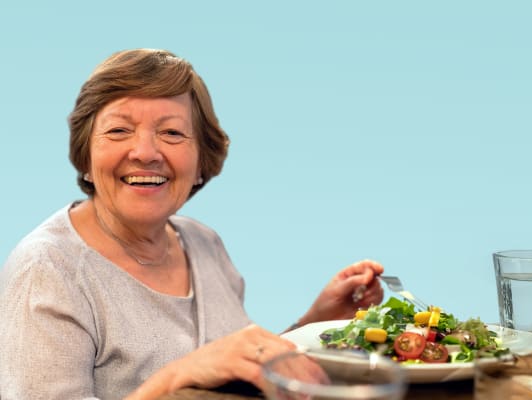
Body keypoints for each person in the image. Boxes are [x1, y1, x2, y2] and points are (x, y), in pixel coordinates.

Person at [0, 49, 384, 400]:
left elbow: (229, 373)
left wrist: (316, 322)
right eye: (118, 130)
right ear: (85, 153)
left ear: (202, 161)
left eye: (171, 133)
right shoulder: (47, 269)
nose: (146, 153)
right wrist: (175, 379)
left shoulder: (202, 243)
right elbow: (199, 369)